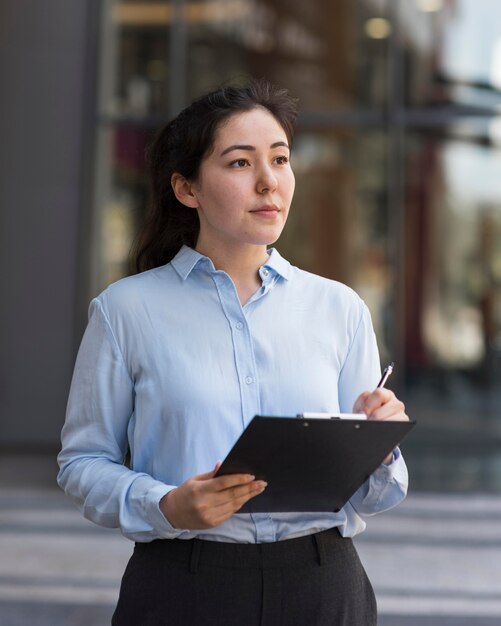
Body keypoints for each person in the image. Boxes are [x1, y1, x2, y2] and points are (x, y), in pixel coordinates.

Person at [57, 78, 410, 626]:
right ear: (187, 188)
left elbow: (371, 496)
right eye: (241, 164)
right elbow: (82, 463)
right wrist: (167, 504)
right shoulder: (124, 311)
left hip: (324, 584)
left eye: (280, 159)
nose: (270, 182)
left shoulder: (338, 308)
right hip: (184, 587)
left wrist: (380, 443)